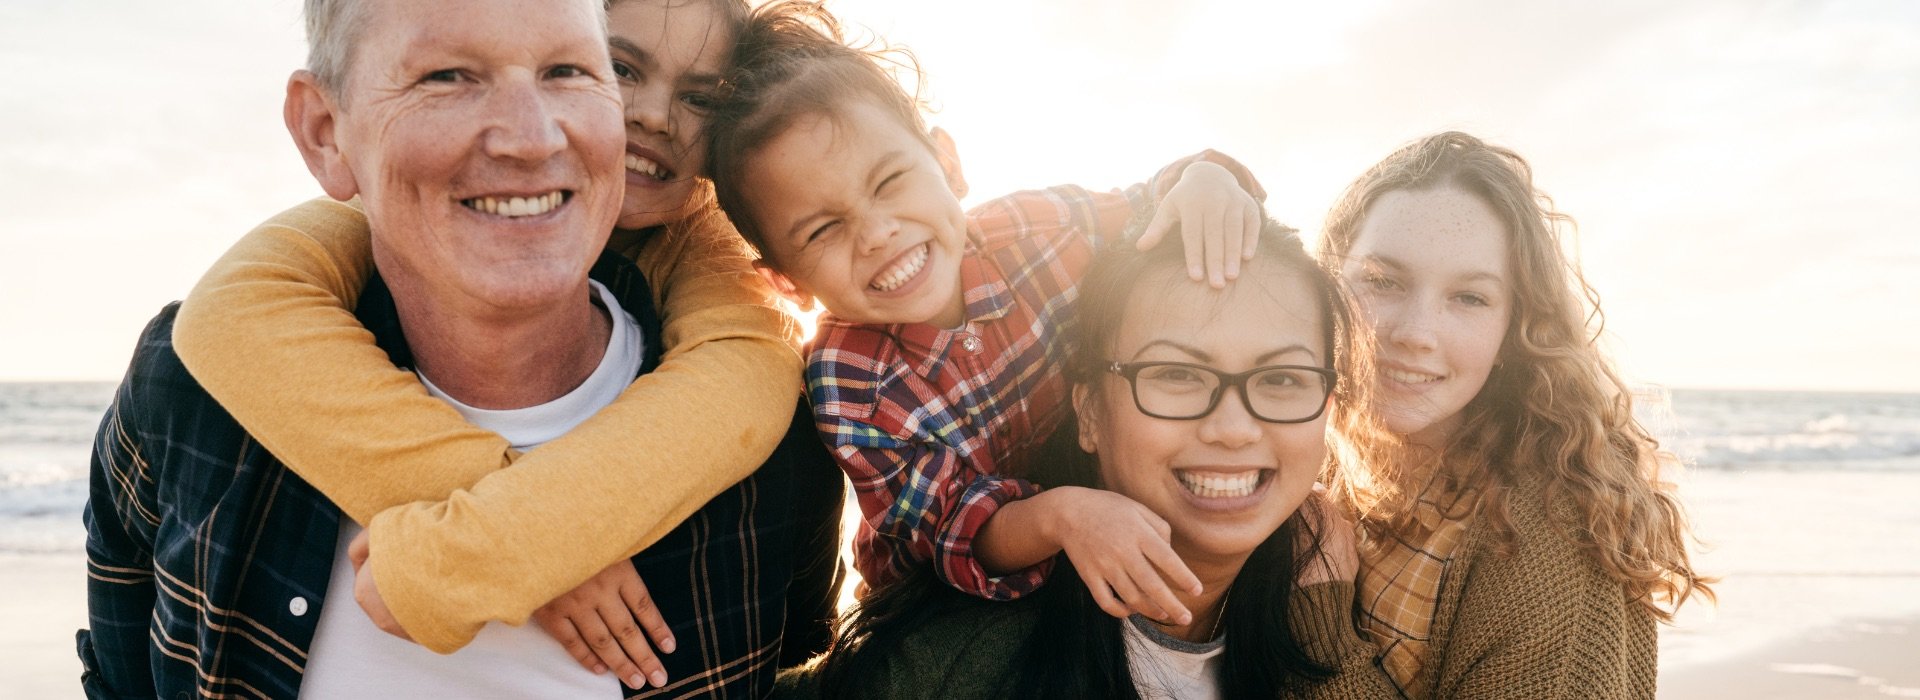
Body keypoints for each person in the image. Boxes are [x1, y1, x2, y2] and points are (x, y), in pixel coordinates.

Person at [80, 0, 820, 696]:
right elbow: (120, 676)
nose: (531, 137)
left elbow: (803, 666)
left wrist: (509, 543)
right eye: (446, 77)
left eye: (567, 71)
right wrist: (527, 540)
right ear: (325, 132)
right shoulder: (191, 391)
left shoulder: (779, 435)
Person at [705, 1, 1270, 626]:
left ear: (947, 163)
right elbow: (956, 528)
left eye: (889, 182)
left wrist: (1203, 180)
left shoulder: (1036, 228)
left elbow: (1151, 207)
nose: (875, 233)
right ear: (789, 284)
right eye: (823, 229)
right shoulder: (848, 380)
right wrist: (1063, 515)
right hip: (945, 603)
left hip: (1106, 516)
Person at [775, 216, 1376, 699]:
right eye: (1175, 374)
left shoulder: (1346, 592)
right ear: (1088, 411)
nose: (1233, 428)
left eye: (1283, 379)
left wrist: (1327, 629)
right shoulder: (947, 667)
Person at [1299, 131, 1714, 698]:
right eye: (1381, 282)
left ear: (1515, 328)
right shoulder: (1312, 461)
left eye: (1468, 297)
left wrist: (1322, 637)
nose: (1416, 333)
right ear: (1326, 286)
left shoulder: (1546, 534)